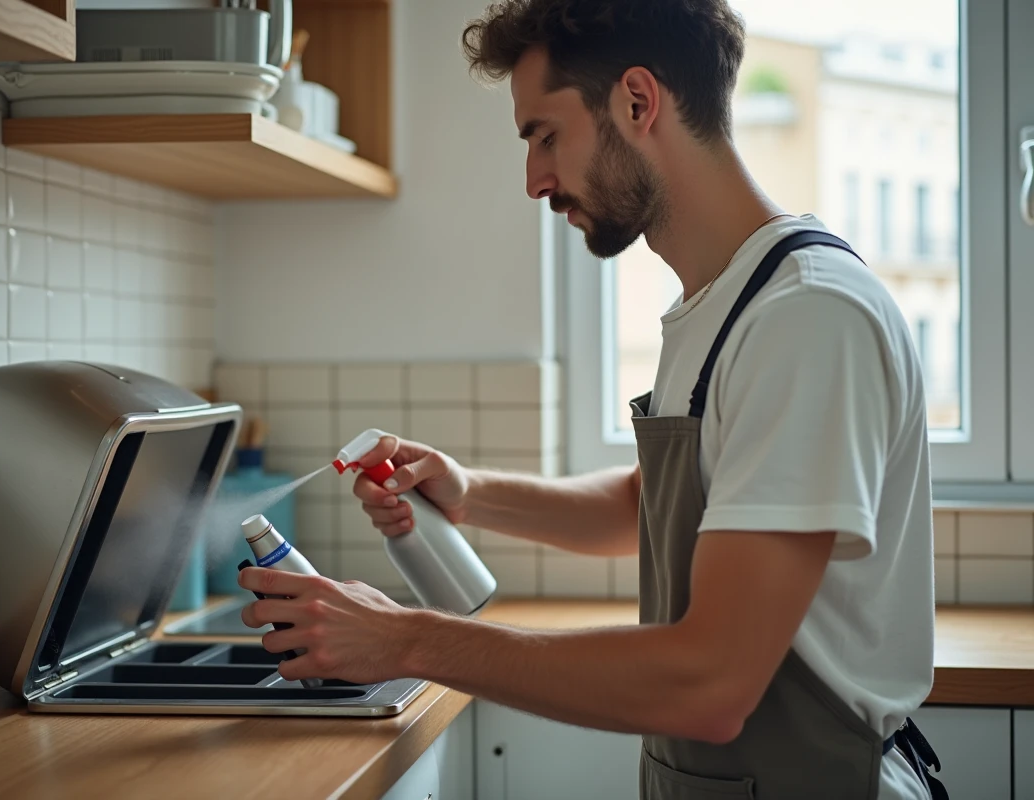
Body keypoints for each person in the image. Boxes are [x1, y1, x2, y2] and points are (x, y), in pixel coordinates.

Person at [237, 1, 946, 797]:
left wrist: (405, 640)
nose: (535, 179)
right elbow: (647, 504)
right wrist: (471, 495)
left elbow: (708, 684)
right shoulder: (726, 302)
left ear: (638, 103)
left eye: (545, 135)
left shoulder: (808, 319)